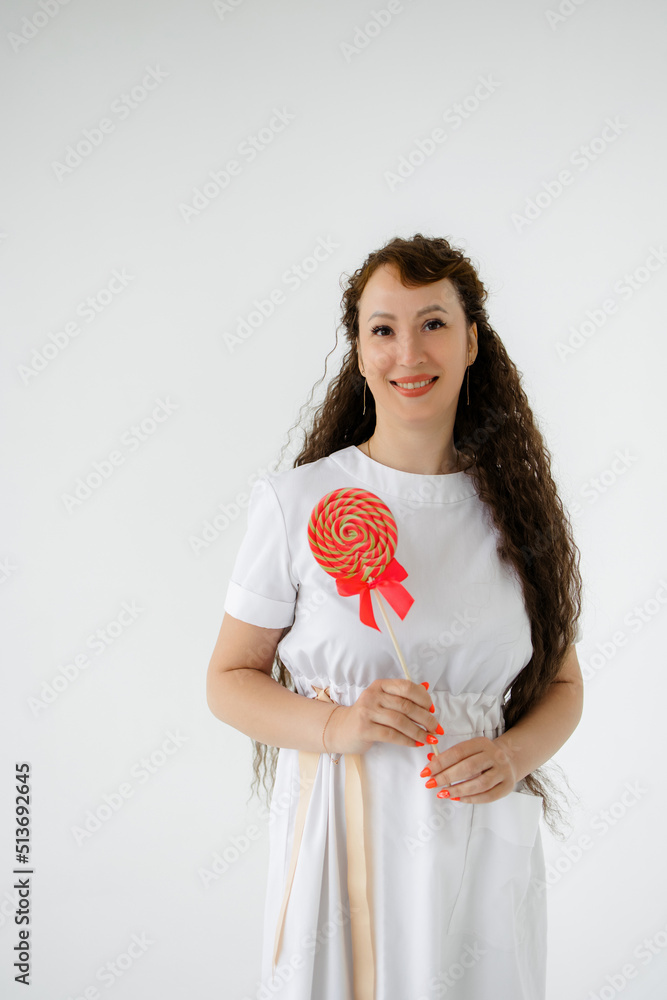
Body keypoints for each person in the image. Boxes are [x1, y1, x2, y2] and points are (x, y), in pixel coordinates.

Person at [206, 233, 584, 1000]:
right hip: (340, 840)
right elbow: (227, 680)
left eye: (433, 322)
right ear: (358, 349)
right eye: (383, 328)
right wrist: (336, 727)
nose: (408, 351)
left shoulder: (515, 512)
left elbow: (563, 686)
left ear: (473, 340)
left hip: (478, 845)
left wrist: (512, 756)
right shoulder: (297, 503)